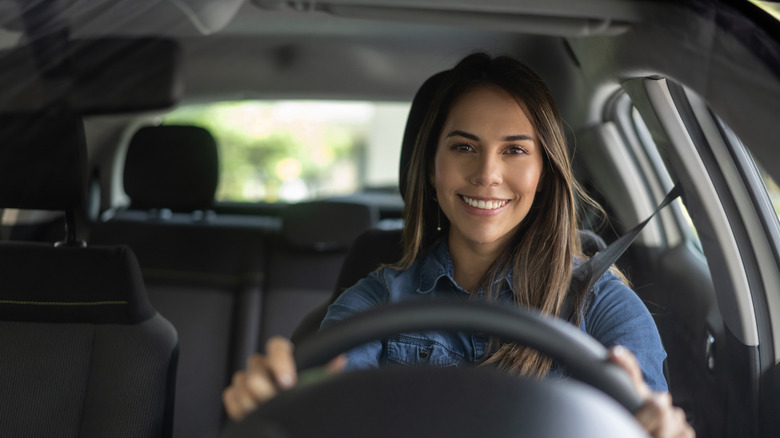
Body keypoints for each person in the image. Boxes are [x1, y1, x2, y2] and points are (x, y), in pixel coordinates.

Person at [223, 53, 695, 437]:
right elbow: (325, 407)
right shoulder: (376, 301)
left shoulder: (605, 307)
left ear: (544, 173)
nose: (487, 174)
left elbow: (642, 421)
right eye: (464, 147)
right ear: (432, 167)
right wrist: (281, 407)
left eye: (514, 150)